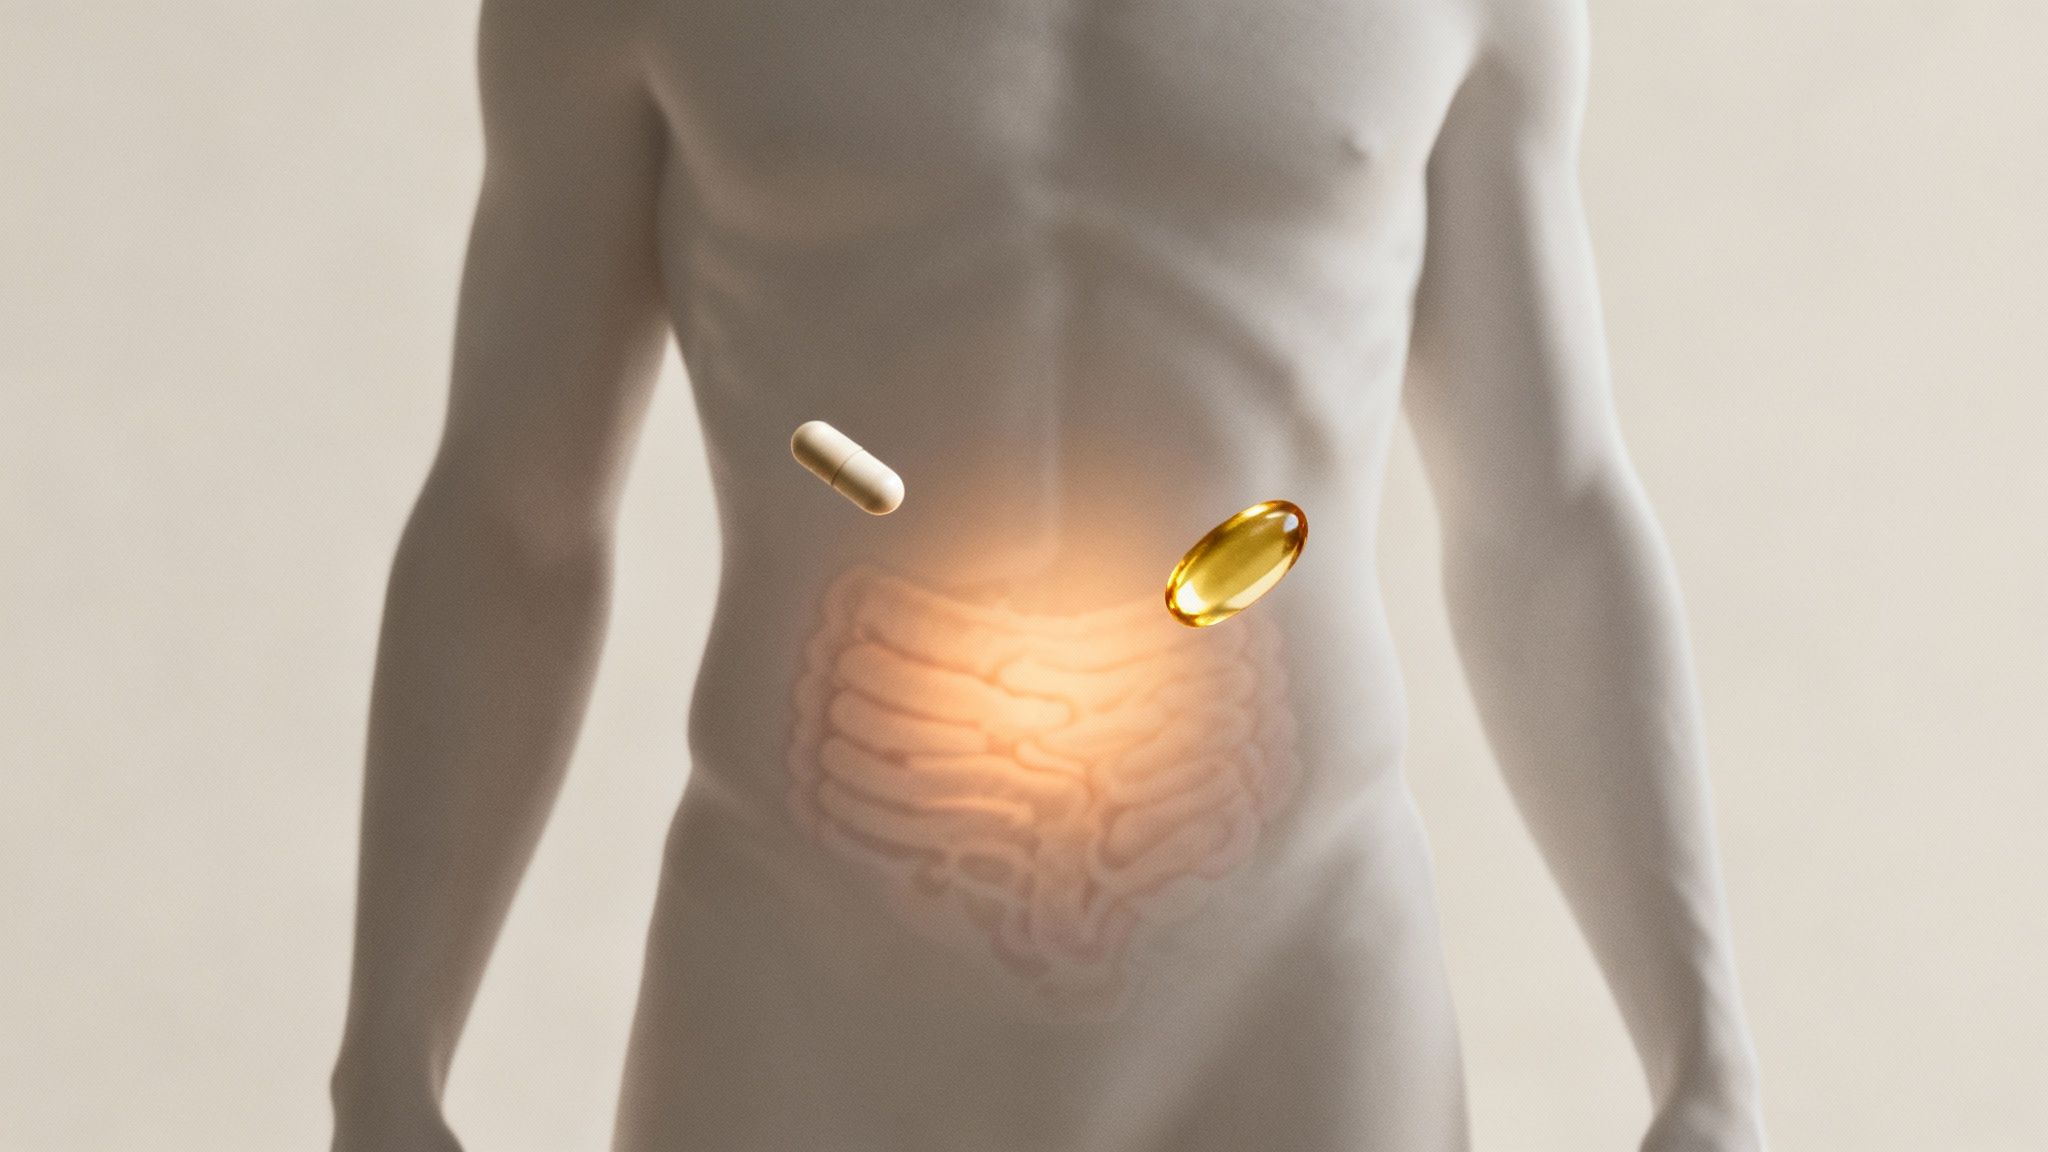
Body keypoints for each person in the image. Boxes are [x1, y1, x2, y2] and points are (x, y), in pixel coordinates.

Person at [329, 0, 1768, 1147]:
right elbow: (513, 515)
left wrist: (1703, 1053)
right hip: (805, 989)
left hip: (1295, 982)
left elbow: (1550, 514)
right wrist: (388, 1060)